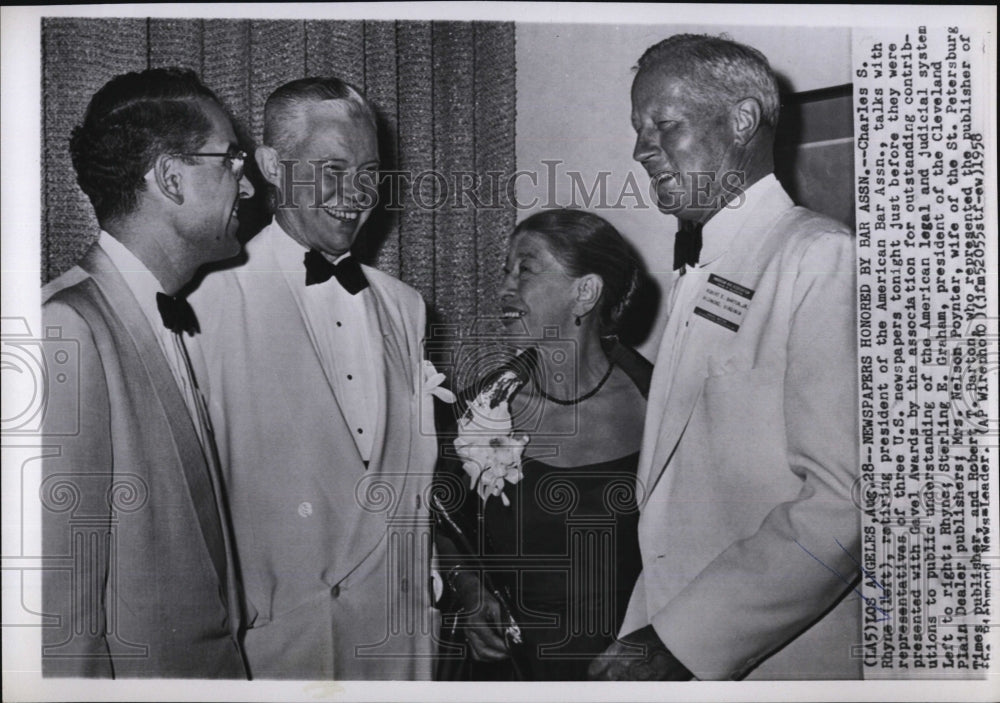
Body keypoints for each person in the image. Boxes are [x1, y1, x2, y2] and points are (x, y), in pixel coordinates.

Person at [588, 34, 860, 681]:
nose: (639, 148)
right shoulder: (699, 267)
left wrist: (680, 641)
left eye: (664, 124)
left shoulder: (820, 257)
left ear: (741, 120)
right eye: (636, 128)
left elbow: (843, 504)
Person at [187, 76, 438, 680]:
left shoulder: (406, 307)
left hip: (395, 649)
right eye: (332, 168)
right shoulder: (203, 300)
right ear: (273, 165)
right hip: (274, 652)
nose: (357, 193)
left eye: (370, 171)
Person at [40, 67, 255, 677]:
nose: (248, 185)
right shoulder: (68, 328)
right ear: (169, 178)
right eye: (231, 160)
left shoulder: (159, 312)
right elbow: (60, 629)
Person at [436, 209, 650, 680]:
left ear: (585, 292)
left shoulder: (659, 403)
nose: (505, 288)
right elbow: (445, 522)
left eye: (525, 270)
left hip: (627, 673)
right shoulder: (481, 407)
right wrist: (470, 591)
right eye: (505, 271)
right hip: (510, 672)